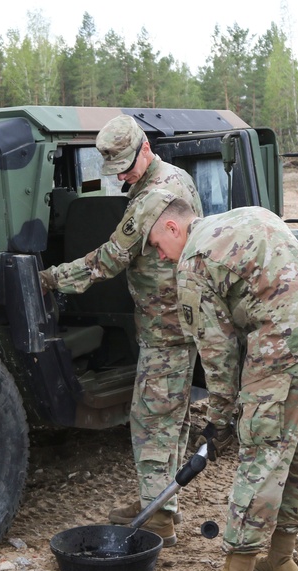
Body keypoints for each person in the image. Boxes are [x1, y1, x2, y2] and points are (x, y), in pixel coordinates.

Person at [137, 190, 298, 571]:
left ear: (173, 227)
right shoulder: (249, 215)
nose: (161, 257)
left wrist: (220, 420)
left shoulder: (192, 262)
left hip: (285, 346)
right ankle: (280, 559)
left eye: (156, 245)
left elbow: (218, 357)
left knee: (263, 457)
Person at [38, 114, 205, 546]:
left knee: (150, 420)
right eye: (117, 171)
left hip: (166, 328)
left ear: (145, 147)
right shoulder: (178, 177)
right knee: (173, 418)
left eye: (127, 167)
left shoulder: (154, 197)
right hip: (179, 320)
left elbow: (110, 259)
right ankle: (160, 502)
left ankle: (158, 520)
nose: (123, 177)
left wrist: (52, 278)